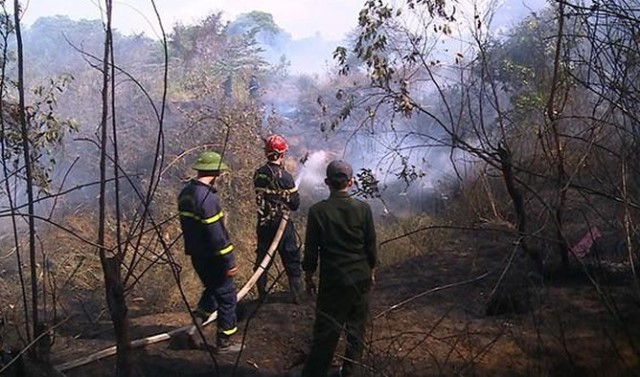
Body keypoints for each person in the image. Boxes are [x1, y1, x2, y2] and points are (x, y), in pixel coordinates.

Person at [301, 160, 377, 377]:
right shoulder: (363, 209)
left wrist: (308, 277)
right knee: (356, 331)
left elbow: (311, 250)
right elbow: (370, 244)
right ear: (351, 182)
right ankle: (350, 372)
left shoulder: (318, 211)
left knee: (326, 333)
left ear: (327, 182)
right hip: (359, 278)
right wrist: (371, 271)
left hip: (333, 281)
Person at [178, 150, 242, 353]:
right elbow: (217, 235)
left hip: (197, 255)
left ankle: (194, 329)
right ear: (214, 171)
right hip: (213, 256)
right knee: (227, 296)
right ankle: (224, 341)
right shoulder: (206, 198)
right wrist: (229, 261)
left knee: (212, 291)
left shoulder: (186, 193)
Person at [253, 134, 303, 303]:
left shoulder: (259, 174)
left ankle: (261, 296)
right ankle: (297, 296)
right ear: (282, 154)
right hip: (282, 224)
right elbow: (295, 204)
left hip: (263, 223)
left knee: (262, 260)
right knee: (291, 258)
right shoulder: (286, 177)